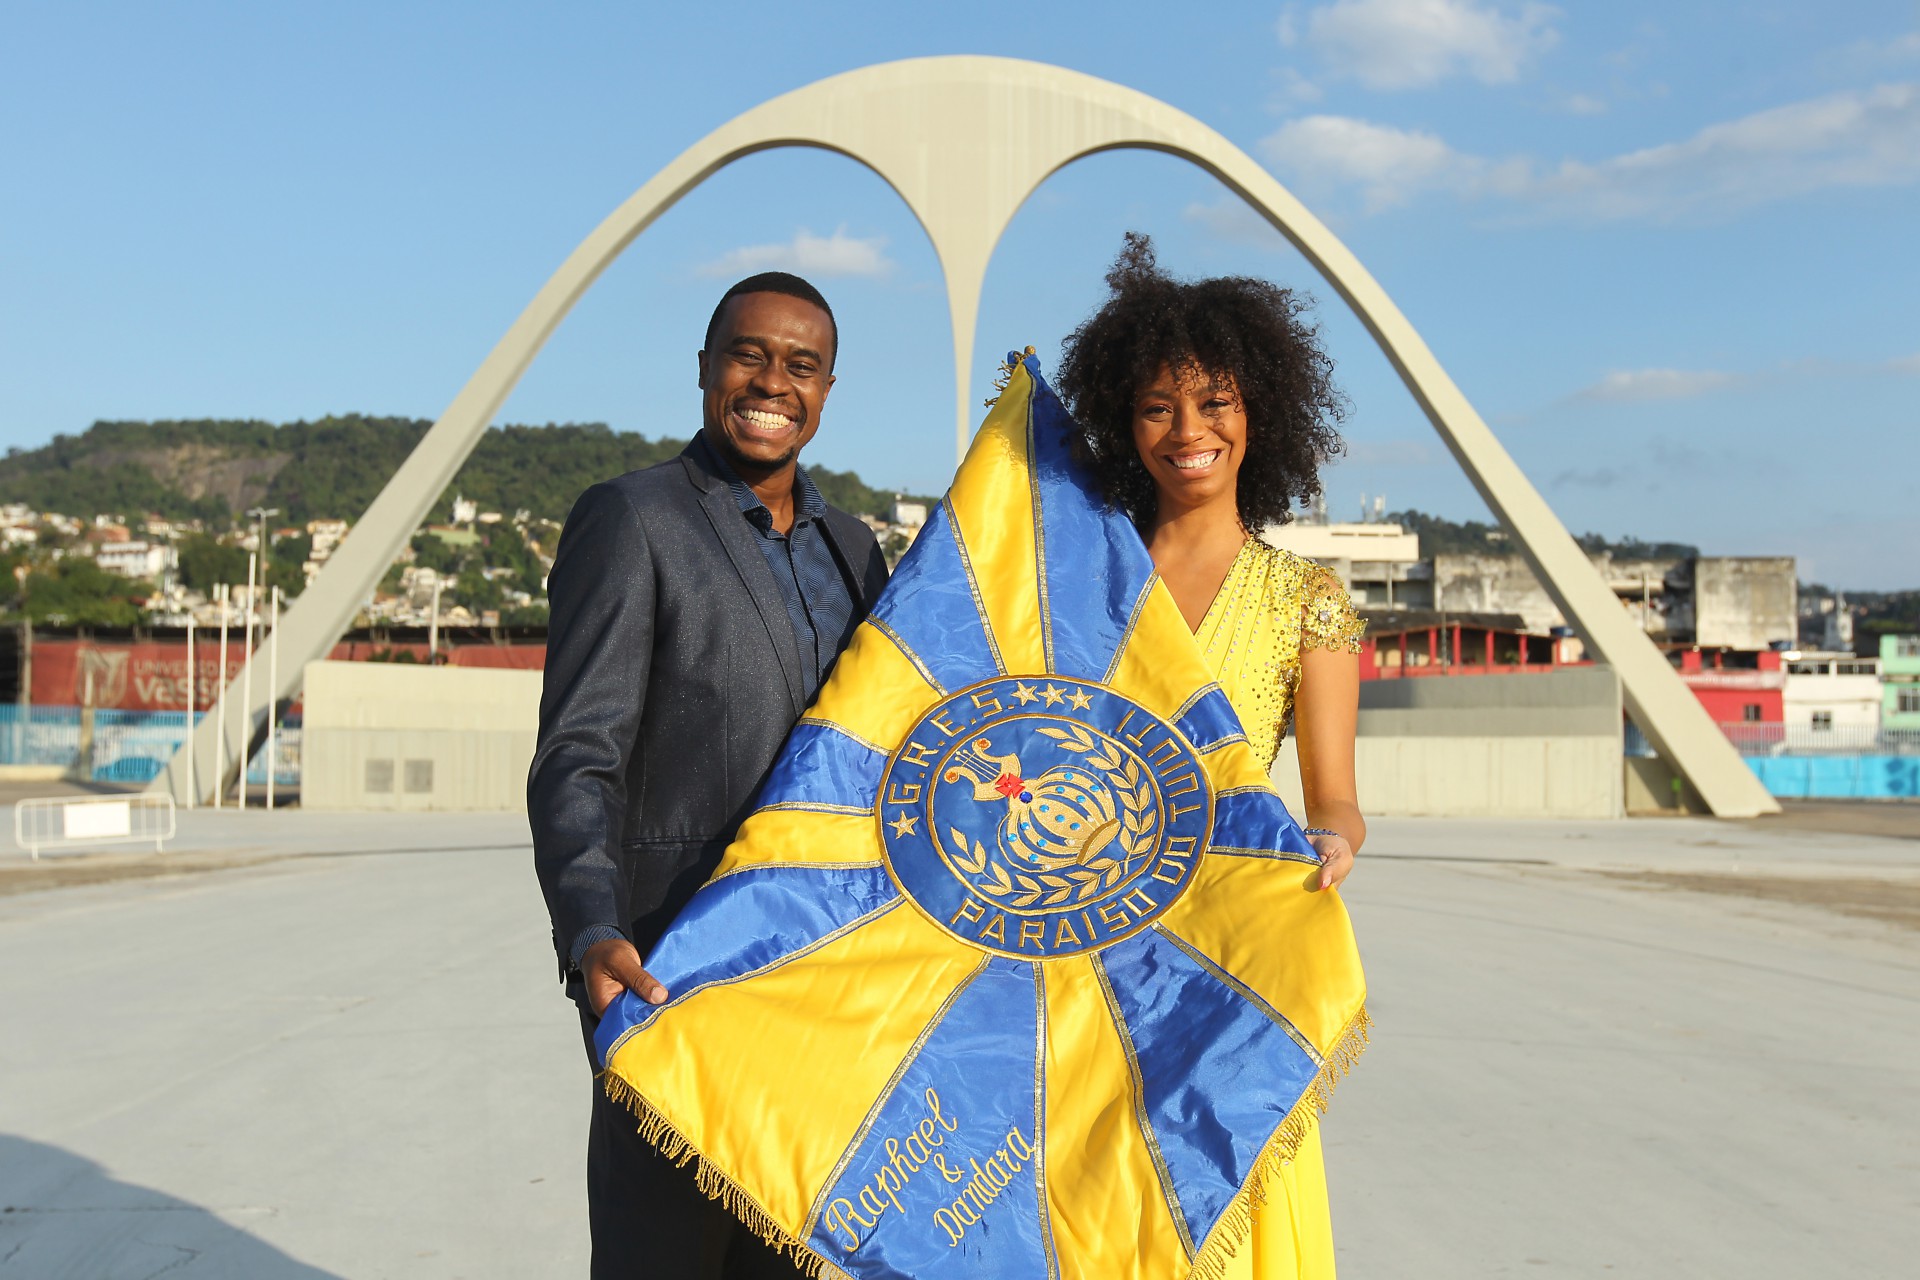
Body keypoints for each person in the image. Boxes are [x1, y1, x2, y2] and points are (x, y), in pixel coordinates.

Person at [529, 271, 890, 1279]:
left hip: (822, 986)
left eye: (801, 364)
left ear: (826, 390)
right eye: (749, 353)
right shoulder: (631, 518)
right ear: (704, 367)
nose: (772, 380)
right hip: (672, 970)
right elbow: (577, 752)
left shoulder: (857, 550)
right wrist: (593, 929)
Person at [1055, 233, 1365, 1280]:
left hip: (1227, 956)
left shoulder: (1307, 600)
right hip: (1084, 943)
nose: (1188, 430)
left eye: (1215, 401)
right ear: (1121, 422)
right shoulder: (1081, 582)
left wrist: (1330, 839)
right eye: (1156, 406)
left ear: (1258, 414)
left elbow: (1335, 798)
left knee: (1221, 1207)